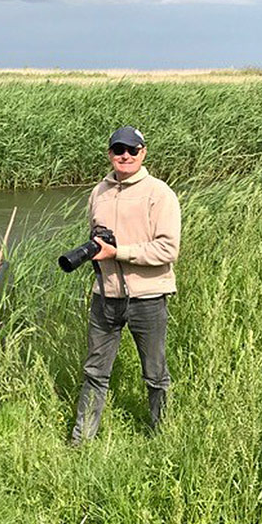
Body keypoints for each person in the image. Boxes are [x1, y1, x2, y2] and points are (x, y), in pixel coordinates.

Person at [71, 125, 181, 444]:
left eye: (133, 150)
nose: (125, 155)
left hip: (148, 297)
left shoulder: (159, 193)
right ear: (110, 154)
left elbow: (168, 249)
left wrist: (120, 253)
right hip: (105, 298)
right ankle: (81, 443)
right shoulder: (99, 192)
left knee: (155, 374)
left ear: (143, 153)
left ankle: (163, 436)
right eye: (119, 149)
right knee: (94, 373)